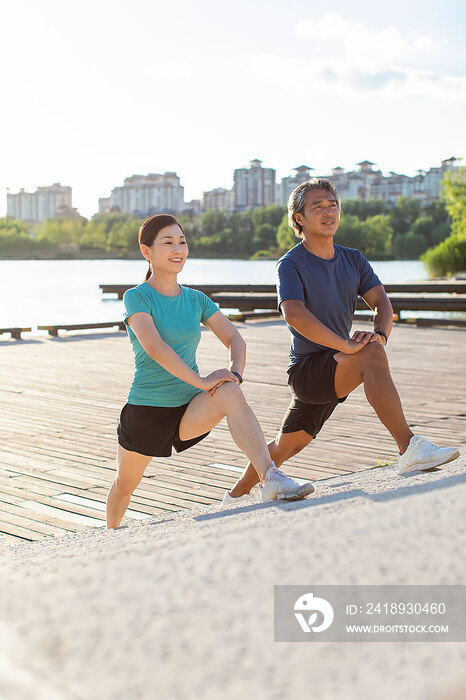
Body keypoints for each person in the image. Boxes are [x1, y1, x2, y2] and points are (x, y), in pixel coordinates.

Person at [222, 178, 460, 503]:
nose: (327, 211)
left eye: (332, 205)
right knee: (371, 356)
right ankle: (409, 448)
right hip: (309, 371)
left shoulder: (353, 259)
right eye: (317, 207)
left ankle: (234, 497)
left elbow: (383, 303)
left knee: (288, 444)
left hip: (338, 364)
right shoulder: (291, 264)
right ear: (299, 219)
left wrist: (380, 334)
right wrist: (347, 345)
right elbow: (293, 314)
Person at [106, 214, 314, 527]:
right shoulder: (137, 297)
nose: (178, 249)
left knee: (229, 390)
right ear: (147, 251)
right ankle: (110, 536)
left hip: (189, 410)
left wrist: (234, 375)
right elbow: (155, 348)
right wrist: (203, 381)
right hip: (146, 412)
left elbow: (235, 339)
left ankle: (269, 477)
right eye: (168, 243)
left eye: (182, 241)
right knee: (124, 486)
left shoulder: (196, 299)